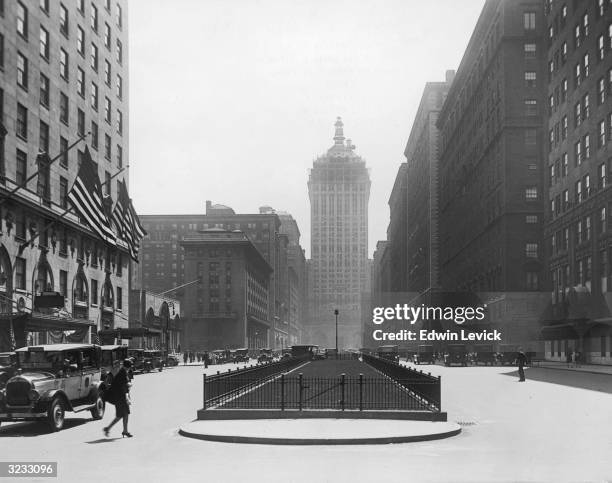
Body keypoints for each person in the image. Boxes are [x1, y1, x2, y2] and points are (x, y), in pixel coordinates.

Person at [103, 359, 133, 438]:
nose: (129, 369)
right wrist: (128, 386)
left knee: (124, 414)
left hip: (120, 396)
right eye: (129, 367)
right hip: (119, 397)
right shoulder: (122, 373)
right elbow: (122, 386)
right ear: (127, 367)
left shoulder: (122, 372)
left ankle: (124, 431)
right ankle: (108, 428)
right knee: (122, 414)